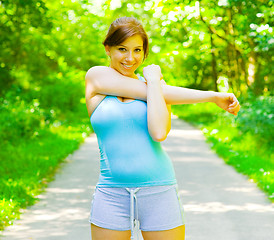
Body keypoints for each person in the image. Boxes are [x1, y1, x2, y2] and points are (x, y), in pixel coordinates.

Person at [85, 16, 240, 240]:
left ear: (145, 53)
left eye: (138, 50)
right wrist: (213, 96)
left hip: (159, 191)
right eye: (122, 49)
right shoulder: (96, 77)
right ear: (107, 48)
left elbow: (159, 132)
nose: (130, 58)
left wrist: (155, 82)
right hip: (111, 194)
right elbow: (144, 91)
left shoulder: (157, 89)